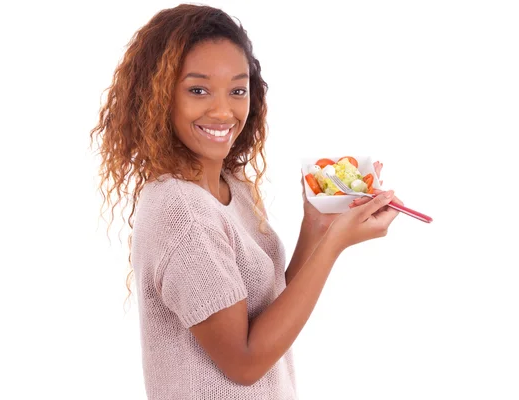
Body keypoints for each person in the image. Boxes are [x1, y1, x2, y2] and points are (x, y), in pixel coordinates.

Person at [90, 4, 402, 399]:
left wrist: (318, 227)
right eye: (198, 90)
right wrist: (335, 246)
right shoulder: (181, 212)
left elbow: (269, 312)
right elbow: (244, 362)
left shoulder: (230, 184)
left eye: (238, 90)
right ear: (158, 95)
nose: (223, 111)